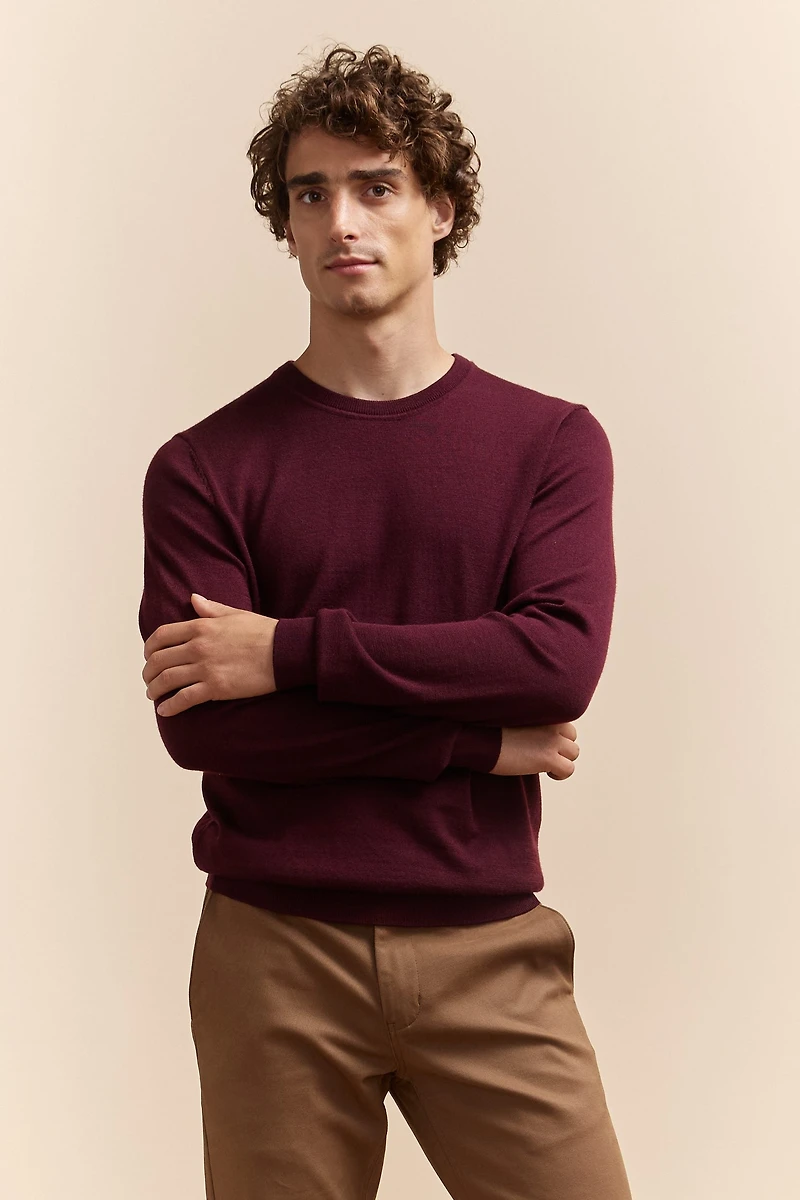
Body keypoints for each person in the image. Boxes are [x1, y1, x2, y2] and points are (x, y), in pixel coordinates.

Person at [138, 41, 633, 1200]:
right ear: (286, 222)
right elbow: (208, 729)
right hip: (271, 953)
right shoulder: (204, 467)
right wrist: (472, 741)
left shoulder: (549, 444)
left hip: (486, 945)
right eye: (310, 194)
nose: (341, 222)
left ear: (438, 208)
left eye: (375, 187)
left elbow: (553, 664)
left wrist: (287, 650)